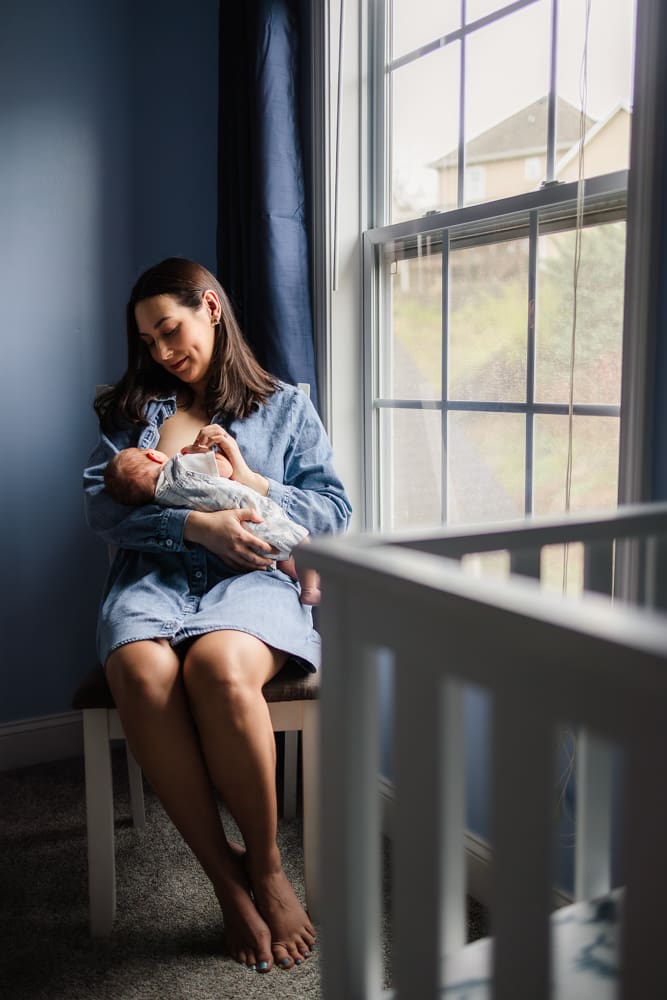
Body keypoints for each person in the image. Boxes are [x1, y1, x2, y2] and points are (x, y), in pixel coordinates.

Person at [83, 257, 352, 973]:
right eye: (147, 341)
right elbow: (104, 510)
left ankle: (264, 863)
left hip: (253, 582)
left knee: (221, 667)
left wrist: (250, 480)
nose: (162, 351)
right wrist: (193, 529)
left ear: (210, 307)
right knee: (140, 673)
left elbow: (332, 514)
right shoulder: (132, 416)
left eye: (169, 329)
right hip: (151, 581)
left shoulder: (288, 407)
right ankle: (223, 877)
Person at [103, 434, 321, 604]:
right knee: (301, 542)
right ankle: (309, 589)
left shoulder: (160, 501)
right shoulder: (179, 467)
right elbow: (224, 470)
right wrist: (203, 454)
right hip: (252, 513)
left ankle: (300, 577)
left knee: (282, 555)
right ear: (154, 455)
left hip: (239, 543)